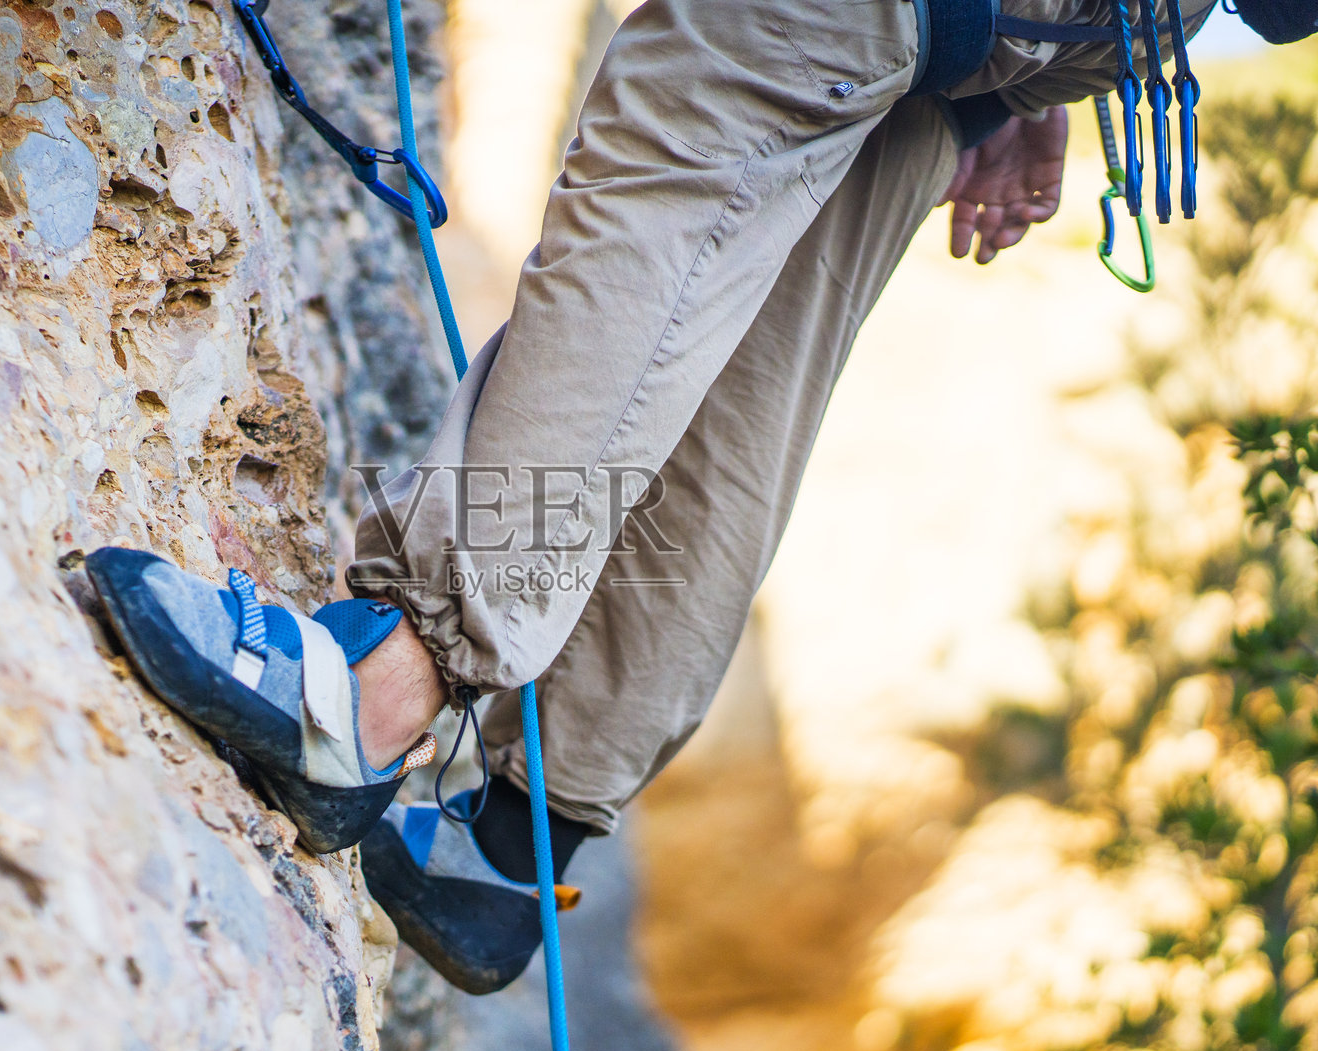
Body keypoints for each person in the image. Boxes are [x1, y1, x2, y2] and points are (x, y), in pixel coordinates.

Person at [88, 0, 1318, 995]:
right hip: (1060, 31)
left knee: (660, 212)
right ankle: (512, 851)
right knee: (747, 368)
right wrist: (1025, 78)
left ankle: (367, 694)